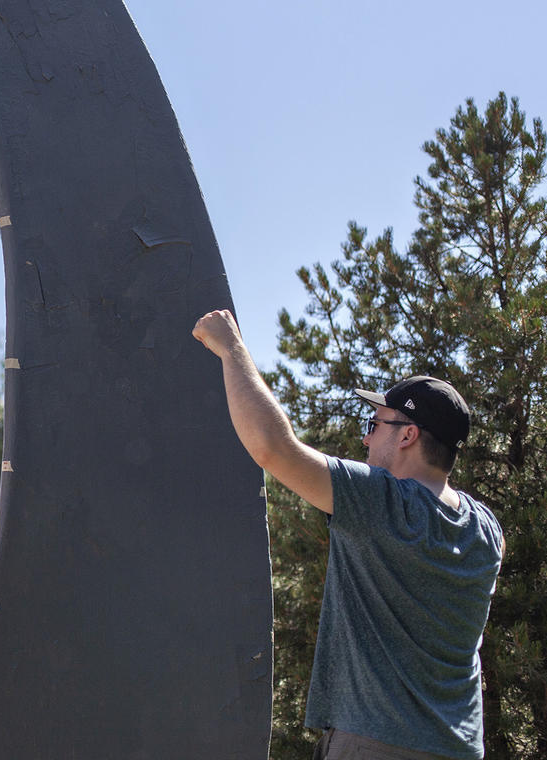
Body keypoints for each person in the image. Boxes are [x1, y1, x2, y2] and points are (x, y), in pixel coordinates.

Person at [192, 309, 504, 760]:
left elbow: (272, 447)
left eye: (375, 424)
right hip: (457, 747)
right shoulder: (487, 530)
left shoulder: (382, 502)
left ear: (408, 436)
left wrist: (230, 349)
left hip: (375, 744)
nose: (365, 439)